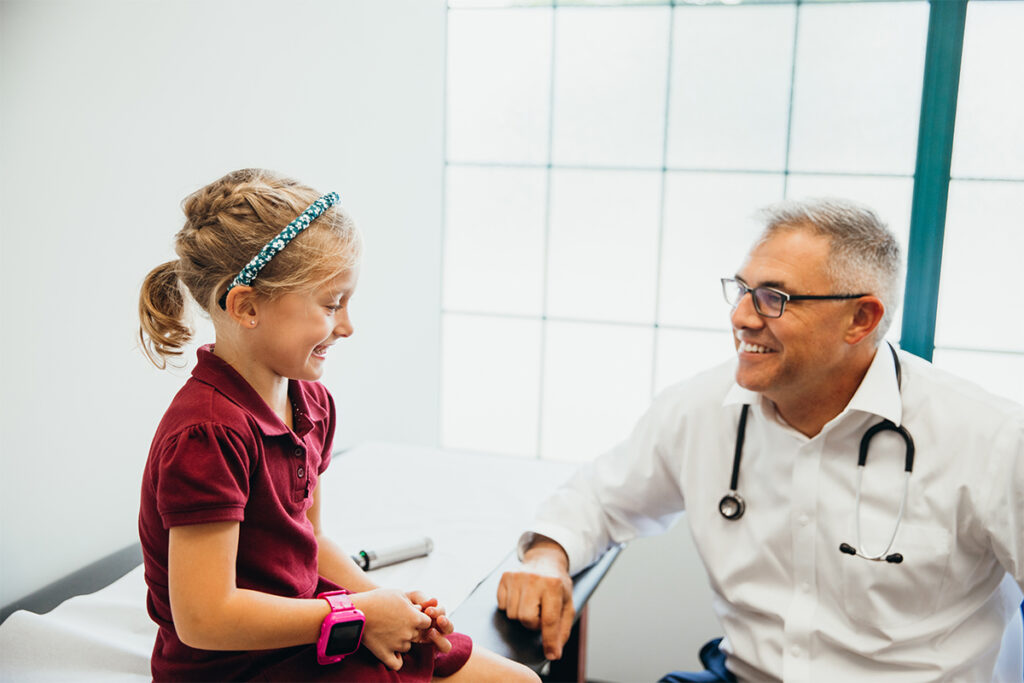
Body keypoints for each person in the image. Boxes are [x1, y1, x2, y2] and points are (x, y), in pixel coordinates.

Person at [496, 198, 1024, 681]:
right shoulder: (702, 408)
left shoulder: (990, 439)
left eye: (774, 298)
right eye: (742, 290)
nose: (741, 317)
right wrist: (547, 556)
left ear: (860, 319)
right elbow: (596, 499)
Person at [138, 169, 537, 682]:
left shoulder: (310, 403)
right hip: (238, 666)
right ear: (247, 307)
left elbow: (313, 539)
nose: (347, 326)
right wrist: (355, 614)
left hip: (311, 624)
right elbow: (205, 618)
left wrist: (384, 605)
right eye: (331, 305)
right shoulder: (209, 435)